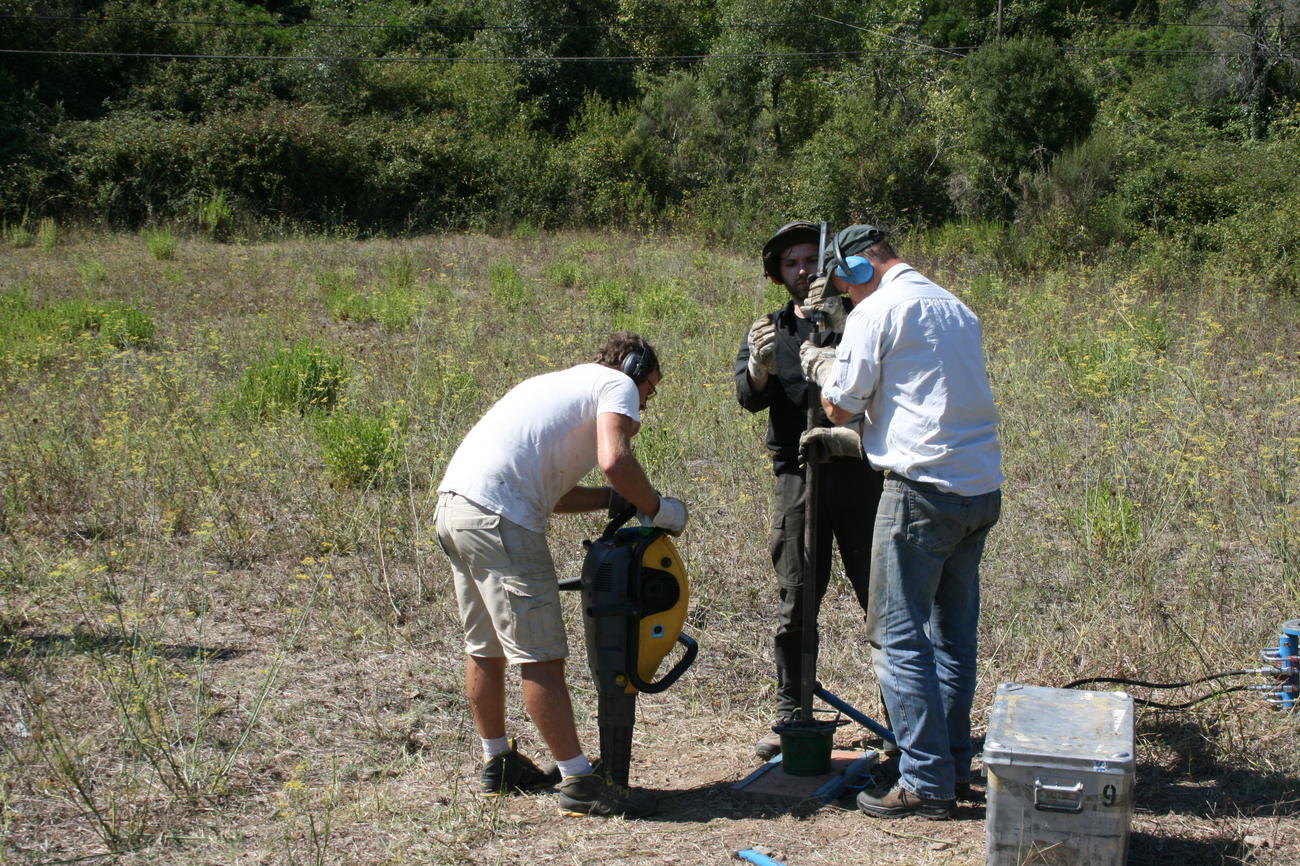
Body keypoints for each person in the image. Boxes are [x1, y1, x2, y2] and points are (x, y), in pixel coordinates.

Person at [434, 332, 687, 818]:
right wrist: (657, 508)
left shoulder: (559, 385)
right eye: (649, 390)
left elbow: (553, 495)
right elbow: (615, 460)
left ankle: (499, 762)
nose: (644, 407)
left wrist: (619, 500)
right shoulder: (617, 384)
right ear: (634, 369)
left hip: (456, 509)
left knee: (485, 647)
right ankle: (579, 782)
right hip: (500, 520)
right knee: (540, 653)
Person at [800, 225, 1003, 820]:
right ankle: (951, 762)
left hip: (920, 493)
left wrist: (821, 363)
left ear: (857, 271)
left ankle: (924, 780)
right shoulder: (954, 306)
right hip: (978, 490)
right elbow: (924, 394)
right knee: (952, 639)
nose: (846, 297)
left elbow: (842, 404)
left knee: (897, 638)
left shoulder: (875, 310)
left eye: (843, 285)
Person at [735, 221, 883, 760]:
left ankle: (905, 716)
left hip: (859, 473)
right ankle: (792, 714)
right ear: (778, 274)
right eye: (792, 263)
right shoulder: (770, 329)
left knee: (882, 600)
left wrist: (838, 317)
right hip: (797, 479)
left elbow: (878, 375)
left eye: (810, 261)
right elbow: (747, 398)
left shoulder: (860, 316)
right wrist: (758, 369)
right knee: (796, 600)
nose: (803, 271)